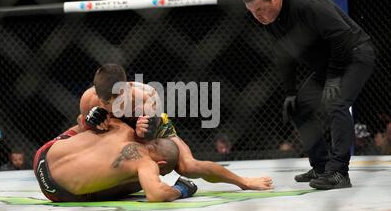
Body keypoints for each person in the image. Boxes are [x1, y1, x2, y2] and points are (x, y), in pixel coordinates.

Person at [242, 0, 376, 190]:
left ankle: (339, 172)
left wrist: (333, 78)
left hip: (355, 54)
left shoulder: (309, 4)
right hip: (329, 64)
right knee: (299, 107)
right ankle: (322, 166)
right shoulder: (270, 19)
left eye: (258, 9)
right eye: (252, 12)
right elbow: (283, 56)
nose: (256, 16)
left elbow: (341, 38)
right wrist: (291, 92)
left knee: (336, 102)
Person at [78, 64, 273, 191]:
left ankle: (244, 182)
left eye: (117, 101)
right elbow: (82, 129)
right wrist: (90, 121)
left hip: (152, 128)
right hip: (115, 132)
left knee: (189, 165)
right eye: (105, 103)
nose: (111, 108)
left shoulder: (146, 96)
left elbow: (150, 139)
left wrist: (141, 131)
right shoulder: (89, 99)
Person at [33, 118, 271, 203]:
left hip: (43, 154)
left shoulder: (121, 126)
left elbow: (85, 116)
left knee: (91, 129)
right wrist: (181, 189)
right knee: (133, 180)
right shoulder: (146, 163)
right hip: (56, 192)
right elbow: (156, 195)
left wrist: (88, 120)